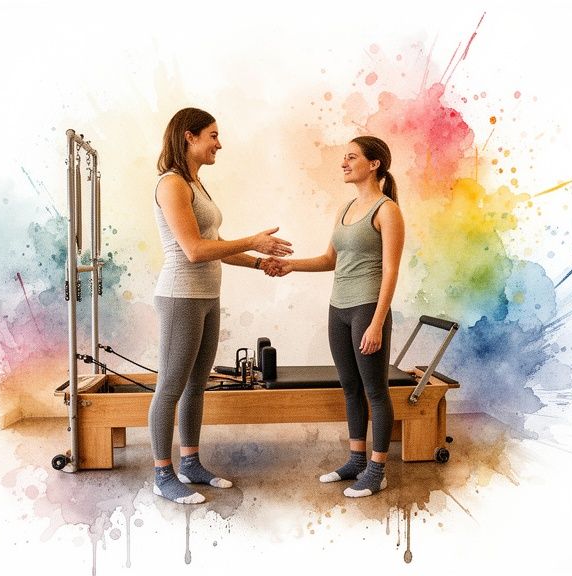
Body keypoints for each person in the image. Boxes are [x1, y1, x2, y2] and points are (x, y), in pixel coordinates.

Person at [149, 107, 293, 504]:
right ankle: (163, 474)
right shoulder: (172, 184)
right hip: (181, 297)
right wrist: (252, 242)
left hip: (208, 297)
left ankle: (191, 463)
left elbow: (214, 243)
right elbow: (194, 251)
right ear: (189, 137)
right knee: (171, 387)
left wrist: (259, 261)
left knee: (197, 385)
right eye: (213, 135)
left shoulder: (196, 183)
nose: (219, 143)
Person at [263, 136, 405, 498]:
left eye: (352, 157)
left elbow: (390, 271)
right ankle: (356, 460)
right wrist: (289, 266)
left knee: (375, 390)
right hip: (338, 308)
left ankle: (376, 470)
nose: (344, 163)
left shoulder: (387, 210)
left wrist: (376, 321)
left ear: (373, 164)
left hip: (366, 308)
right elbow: (331, 260)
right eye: (344, 157)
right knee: (350, 388)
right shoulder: (346, 208)